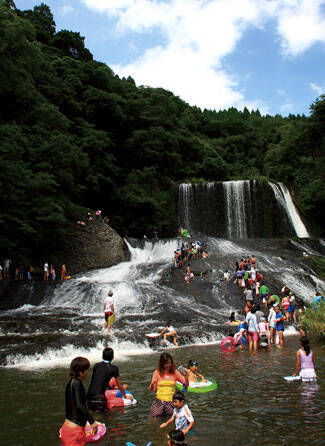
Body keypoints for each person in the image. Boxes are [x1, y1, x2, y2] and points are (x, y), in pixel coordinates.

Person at [60, 357, 99, 446]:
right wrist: (92, 421)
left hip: (68, 428)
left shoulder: (70, 383)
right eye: (86, 370)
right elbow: (80, 405)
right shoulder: (77, 384)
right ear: (80, 372)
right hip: (75, 432)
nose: (87, 373)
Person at [87, 347, 127, 412]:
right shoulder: (114, 368)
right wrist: (125, 396)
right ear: (112, 357)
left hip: (89, 397)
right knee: (105, 418)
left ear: (102, 356)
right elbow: (119, 385)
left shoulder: (96, 365)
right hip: (99, 398)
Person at [149, 353, 189, 418]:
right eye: (165, 363)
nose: (168, 365)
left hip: (171, 403)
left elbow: (186, 385)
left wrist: (186, 377)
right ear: (162, 363)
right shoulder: (157, 372)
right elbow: (152, 390)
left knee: (173, 420)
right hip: (159, 402)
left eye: (169, 363)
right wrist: (152, 385)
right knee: (154, 420)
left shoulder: (175, 372)